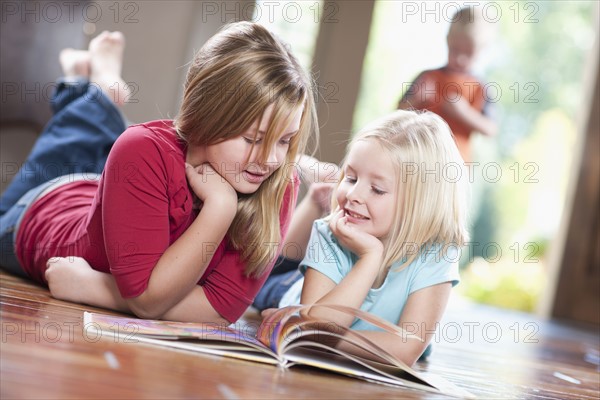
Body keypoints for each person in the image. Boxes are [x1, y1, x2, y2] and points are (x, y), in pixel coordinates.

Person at [0, 22, 318, 324]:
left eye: (285, 140)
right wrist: (221, 209)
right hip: (41, 213)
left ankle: (92, 88)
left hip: (114, 195)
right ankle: (98, 88)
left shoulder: (278, 180)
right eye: (253, 139)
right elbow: (147, 300)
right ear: (206, 114)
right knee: (86, 140)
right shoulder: (141, 150)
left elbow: (220, 310)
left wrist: (98, 290)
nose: (269, 159)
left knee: (100, 142)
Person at [254, 109, 470, 366]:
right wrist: (370, 258)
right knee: (267, 272)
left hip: (317, 308)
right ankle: (317, 198)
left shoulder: (438, 252)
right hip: (291, 288)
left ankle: (321, 190)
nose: (353, 194)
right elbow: (318, 328)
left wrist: (300, 330)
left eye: (377, 189)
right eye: (351, 178)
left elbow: (406, 350)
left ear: (420, 204)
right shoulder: (330, 233)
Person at [398, 6, 497, 163]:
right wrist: (416, 99)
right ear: (447, 41)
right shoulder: (427, 77)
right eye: (455, 50)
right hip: (419, 157)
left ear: (481, 51)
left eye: (468, 53)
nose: (460, 59)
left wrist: (463, 112)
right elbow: (397, 113)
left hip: (456, 163)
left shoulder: (480, 87)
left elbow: (491, 129)